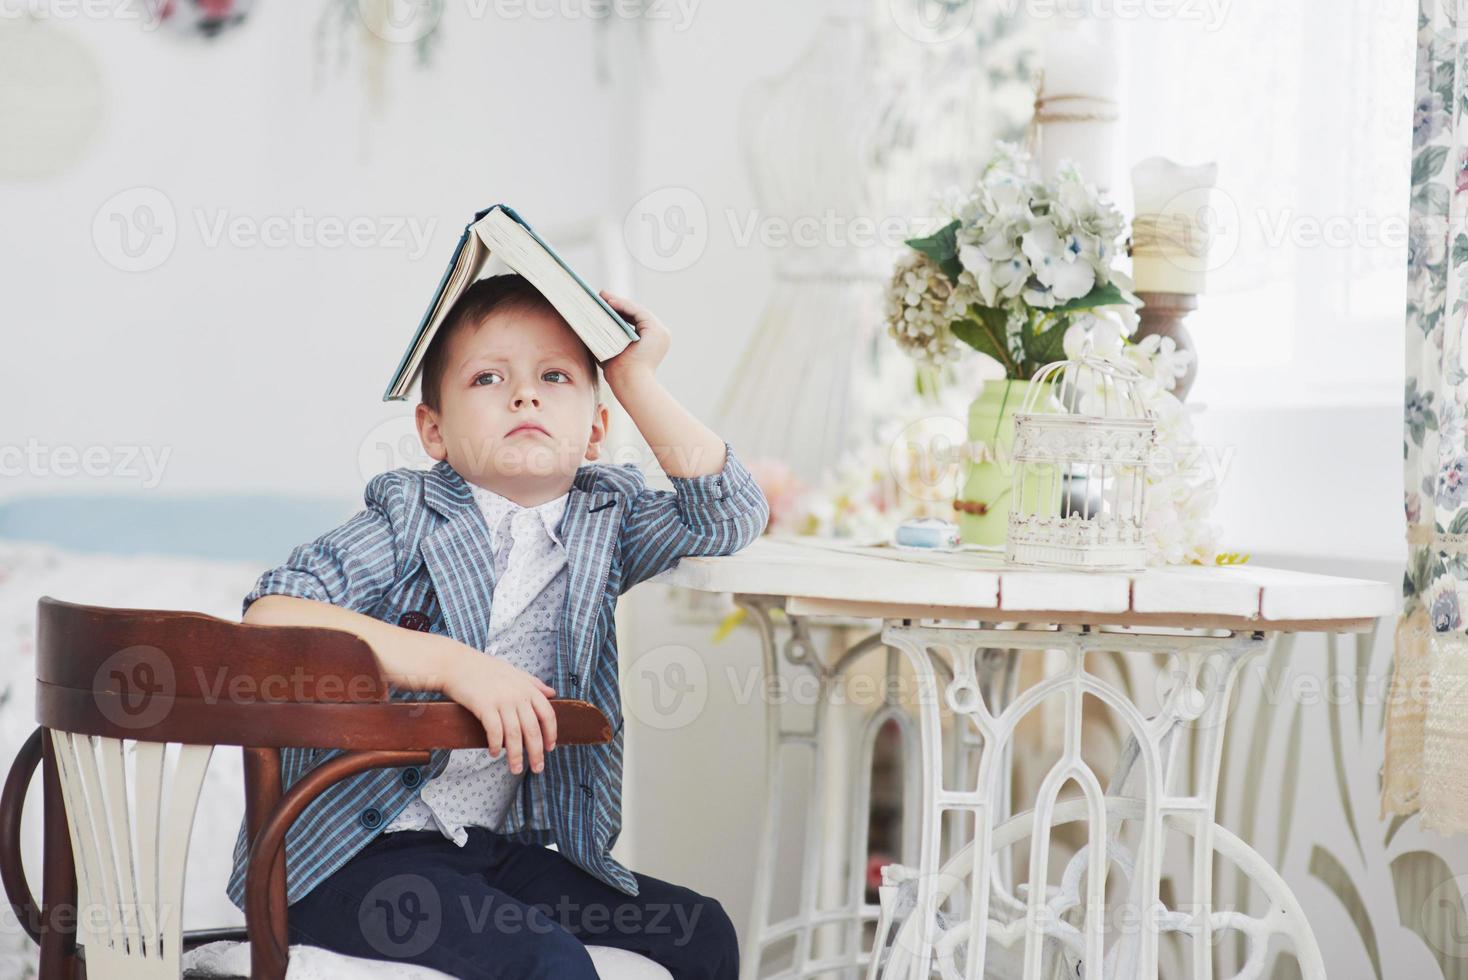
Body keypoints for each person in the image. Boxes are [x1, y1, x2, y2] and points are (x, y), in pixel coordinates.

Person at [226, 273, 769, 979]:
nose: (525, 395)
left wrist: (633, 377)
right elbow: (271, 616)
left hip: (485, 850)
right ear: (434, 431)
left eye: (554, 376)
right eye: (489, 378)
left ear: (597, 430)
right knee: (548, 964)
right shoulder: (408, 518)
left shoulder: (605, 522)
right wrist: (453, 664)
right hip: (344, 857)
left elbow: (727, 515)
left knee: (698, 931)